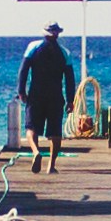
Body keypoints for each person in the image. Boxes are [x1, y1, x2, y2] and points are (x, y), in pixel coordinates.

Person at [14, 25, 77, 168]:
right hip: (55, 95)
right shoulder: (64, 53)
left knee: (31, 128)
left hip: (36, 94)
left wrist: (21, 91)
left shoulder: (33, 47)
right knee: (55, 132)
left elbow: (23, 70)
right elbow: (70, 79)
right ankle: (51, 166)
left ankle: (36, 152)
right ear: (58, 34)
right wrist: (70, 100)